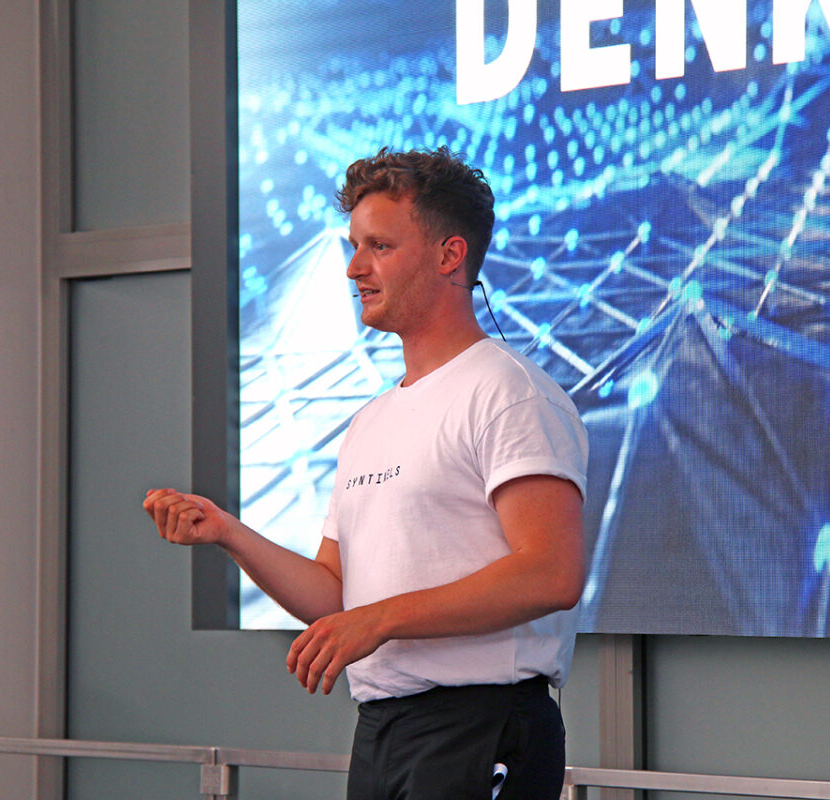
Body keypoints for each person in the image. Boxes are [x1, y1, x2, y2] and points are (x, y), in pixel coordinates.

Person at [144, 146, 589, 800]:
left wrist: (379, 620)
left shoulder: (509, 392)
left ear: (450, 255)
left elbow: (551, 573)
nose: (354, 267)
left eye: (379, 246)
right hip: (383, 730)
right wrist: (228, 533)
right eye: (355, 246)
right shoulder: (370, 421)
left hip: (482, 725)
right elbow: (335, 598)